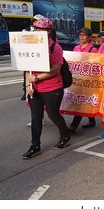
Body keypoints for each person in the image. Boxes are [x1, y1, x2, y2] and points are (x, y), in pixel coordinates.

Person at [23, 18, 72, 159]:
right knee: (35, 117)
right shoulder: (30, 45)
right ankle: (35, 145)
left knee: (53, 114)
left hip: (52, 88)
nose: (37, 31)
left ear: (49, 31)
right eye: (36, 28)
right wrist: (28, 84)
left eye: (41, 29)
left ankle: (65, 134)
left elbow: (55, 69)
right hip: (35, 89)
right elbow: (27, 67)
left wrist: (37, 78)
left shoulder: (55, 47)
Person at [69, 28, 98, 133]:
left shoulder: (92, 50)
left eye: (84, 35)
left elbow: (95, 65)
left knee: (80, 101)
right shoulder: (76, 48)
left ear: (90, 37)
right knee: (81, 99)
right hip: (77, 78)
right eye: (80, 35)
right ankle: (92, 120)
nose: (81, 37)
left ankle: (73, 125)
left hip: (87, 80)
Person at [21, 14, 45, 100]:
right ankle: (26, 91)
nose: (35, 22)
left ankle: (40, 90)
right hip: (29, 56)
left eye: (37, 21)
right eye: (34, 21)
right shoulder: (26, 30)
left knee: (39, 74)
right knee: (27, 74)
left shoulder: (44, 31)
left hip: (40, 56)